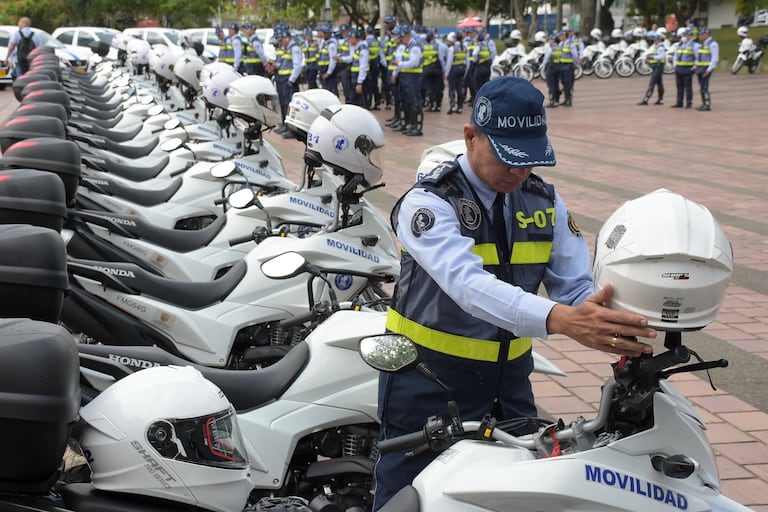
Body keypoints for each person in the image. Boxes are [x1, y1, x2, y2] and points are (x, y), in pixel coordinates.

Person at [372, 76, 656, 511]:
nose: (520, 172)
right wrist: (560, 319)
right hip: (426, 382)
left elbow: (576, 286)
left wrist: (619, 319)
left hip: (509, 385)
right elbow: (468, 286)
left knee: (505, 498)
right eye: (508, 158)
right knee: (409, 498)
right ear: (471, 136)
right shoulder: (429, 203)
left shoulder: (544, 202)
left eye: (530, 159)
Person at [391, 25, 423, 136]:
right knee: (408, 102)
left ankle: (417, 127)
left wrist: (398, 64)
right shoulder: (407, 46)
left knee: (415, 103)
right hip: (406, 77)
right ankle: (410, 125)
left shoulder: (415, 46)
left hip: (413, 77)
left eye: (401, 37)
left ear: (407, 36)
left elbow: (413, 63)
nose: (400, 40)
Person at [671, 28, 697, 108]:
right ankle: (679, 102)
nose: (685, 37)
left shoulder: (694, 45)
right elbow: (676, 55)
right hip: (679, 68)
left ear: (691, 36)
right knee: (679, 86)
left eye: (687, 35)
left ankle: (689, 102)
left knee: (688, 87)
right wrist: (675, 65)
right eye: (684, 35)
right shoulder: (680, 44)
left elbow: (697, 57)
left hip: (687, 68)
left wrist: (694, 67)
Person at [694, 27, 718, 111]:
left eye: (701, 34)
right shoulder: (703, 43)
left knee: (704, 86)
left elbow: (715, 58)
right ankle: (703, 103)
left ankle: (707, 104)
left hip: (706, 68)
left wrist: (709, 69)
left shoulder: (712, 44)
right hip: (700, 67)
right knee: (701, 86)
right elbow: (699, 57)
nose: (700, 36)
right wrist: (695, 66)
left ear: (707, 35)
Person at [637, 32, 665, 105]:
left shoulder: (660, 47)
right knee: (659, 83)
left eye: (655, 40)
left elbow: (661, 56)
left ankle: (645, 99)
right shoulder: (657, 47)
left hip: (658, 67)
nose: (654, 42)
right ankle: (660, 99)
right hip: (656, 66)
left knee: (652, 83)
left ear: (658, 40)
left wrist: (651, 56)